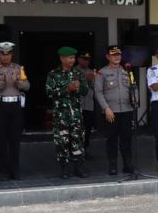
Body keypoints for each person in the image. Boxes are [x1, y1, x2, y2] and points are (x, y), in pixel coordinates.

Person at [0, 41, 30, 181]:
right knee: (1, 139)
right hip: (0, 105)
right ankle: (4, 170)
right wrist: (2, 83)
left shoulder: (18, 68)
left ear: (12, 54)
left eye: (8, 54)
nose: (6, 57)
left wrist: (18, 82)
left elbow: (27, 86)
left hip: (15, 105)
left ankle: (15, 170)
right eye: (2, 54)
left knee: (15, 139)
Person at [46, 47, 89, 179]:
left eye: (73, 58)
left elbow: (85, 91)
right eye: (70, 58)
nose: (72, 60)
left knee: (78, 141)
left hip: (76, 115)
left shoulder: (78, 73)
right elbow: (49, 93)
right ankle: (65, 169)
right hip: (61, 116)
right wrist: (67, 89)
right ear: (62, 58)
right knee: (62, 142)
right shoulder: (53, 74)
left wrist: (79, 88)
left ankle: (79, 169)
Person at [95, 45, 134, 175]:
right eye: (113, 55)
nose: (117, 57)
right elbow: (98, 92)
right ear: (108, 56)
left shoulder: (127, 71)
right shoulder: (102, 73)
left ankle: (127, 165)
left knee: (126, 139)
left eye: (118, 54)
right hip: (111, 112)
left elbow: (133, 88)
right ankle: (113, 166)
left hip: (126, 110)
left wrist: (135, 101)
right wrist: (106, 108)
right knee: (112, 140)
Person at [78, 52, 96, 156]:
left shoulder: (92, 72)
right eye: (84, 59)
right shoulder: (73, 71)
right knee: (76, 129)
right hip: (77, 105)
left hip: (89, 105)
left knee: (87, 129)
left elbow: (97, 87)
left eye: (88, 59)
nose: (86, 61)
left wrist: (91, 80)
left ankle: (84, 149)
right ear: (79, 59)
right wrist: (85, 79)